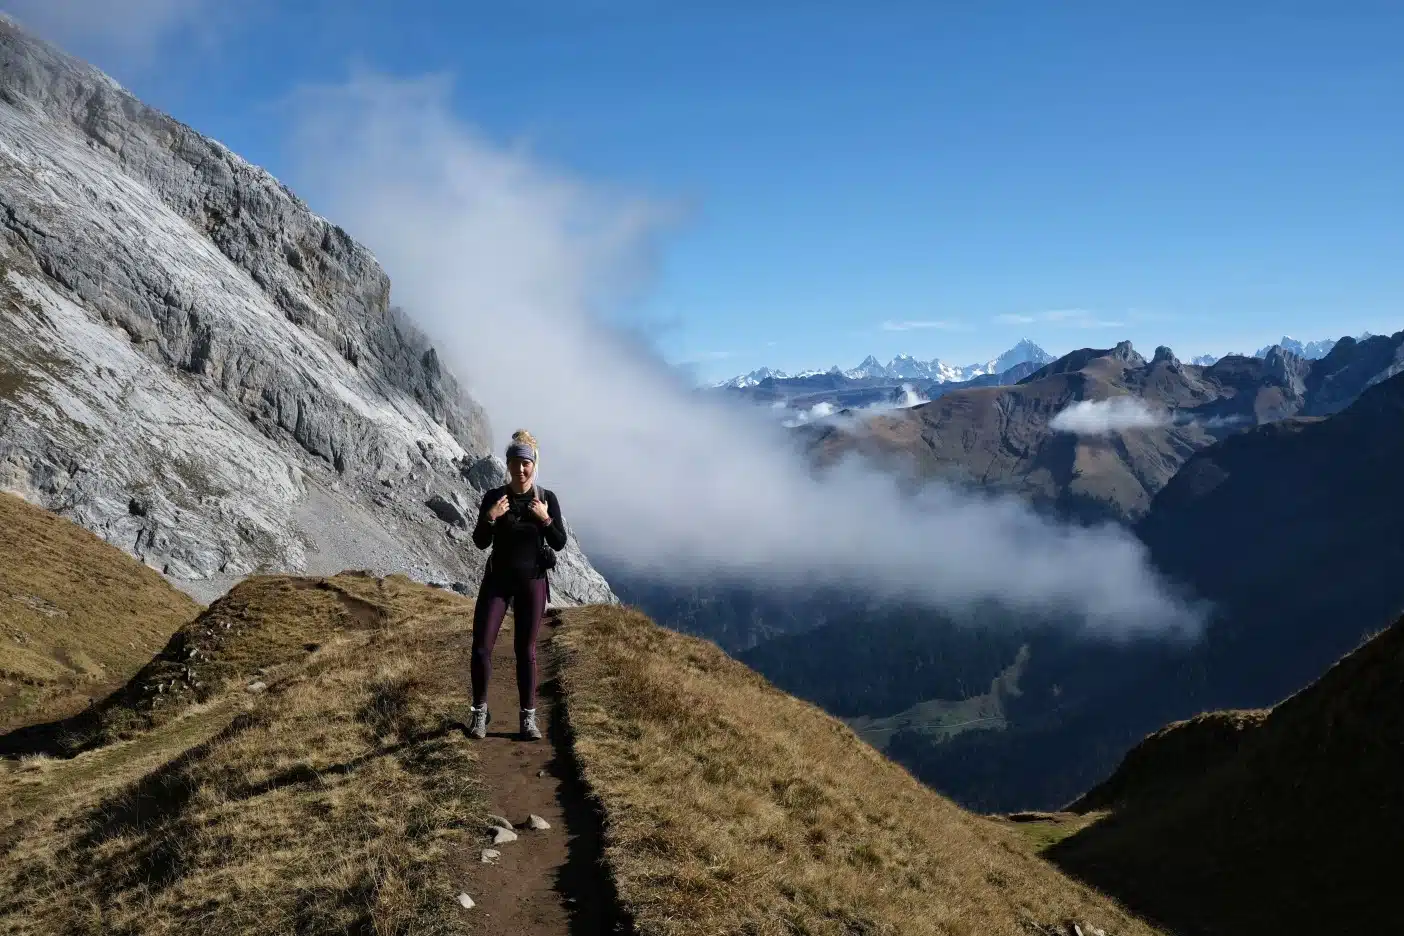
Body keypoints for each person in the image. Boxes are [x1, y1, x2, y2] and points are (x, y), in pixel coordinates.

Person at [466, 429, 567, 741]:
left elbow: (559, 542)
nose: (520, 469)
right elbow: (481, 541)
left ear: (533, 465)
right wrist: (491, 517)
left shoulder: (546, 499)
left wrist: (546, 519)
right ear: (507, 465)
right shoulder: (495, 498)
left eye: (526, 463)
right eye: (515, 462)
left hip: (532, 582)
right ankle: (479, 714)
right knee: (482, 647)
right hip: (497, 580)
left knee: (526, 651)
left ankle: (527, 719)